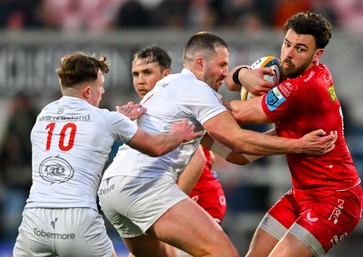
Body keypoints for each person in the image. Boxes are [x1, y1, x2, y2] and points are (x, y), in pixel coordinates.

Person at [98, 31, 337, 257]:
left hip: (111, 192)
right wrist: (299, 145)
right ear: (200, 64)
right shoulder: (198, 91)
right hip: (144, 187)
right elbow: (239, 141)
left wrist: (281, 134)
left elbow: (233, 154)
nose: (225, 73)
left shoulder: (166, 87)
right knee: (223, 253)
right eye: (222, 65)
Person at [12, 51, 202, 257]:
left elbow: (79, 129)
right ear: (87, 92)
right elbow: (155, 147)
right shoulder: (106, 119)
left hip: (34, 221)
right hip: (78, 220)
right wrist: (178, 135)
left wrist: (122, 119)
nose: (102, 92)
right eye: (100, 86)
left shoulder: (44, 115)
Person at [224, 12, 363, 257]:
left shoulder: (304, 87)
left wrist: (194, 103)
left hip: (335, 198)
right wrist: (242, 73)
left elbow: (240, 113)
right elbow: (231, 83)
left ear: (317, 55)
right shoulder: (291, 70)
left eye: (300, 49)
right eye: (287, 44)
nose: (288, 54)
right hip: (302, 193)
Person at [128, 45, 227, 257]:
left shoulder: (175, 104)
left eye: (147, 73)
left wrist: (167, 205)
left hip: (198, 198)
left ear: (165, 75)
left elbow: (198, 160)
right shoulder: (149, 110)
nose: (140, 80)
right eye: (136, 74)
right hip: (175, 201)